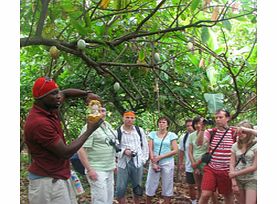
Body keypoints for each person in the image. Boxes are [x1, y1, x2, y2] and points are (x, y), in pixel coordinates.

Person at [24, 76, 103, 204]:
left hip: (59, 177)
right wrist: (90, 129)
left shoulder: (49, 107)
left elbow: (65, 93)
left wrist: (87, 94)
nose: (58, 97)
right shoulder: (39, 123)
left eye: (57, 92)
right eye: (54, 94)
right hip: (47, 183)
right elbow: (65, 152)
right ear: (41, 98)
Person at [77, 105, 116, 204]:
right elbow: (80, 149)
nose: (102, 113)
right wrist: (90, 170)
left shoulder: (107, 125)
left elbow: (111, 144)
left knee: (109, 199)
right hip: (97, 169)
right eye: (99, 111)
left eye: (103, 111)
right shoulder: (89, 127)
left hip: (109, 167)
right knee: (100, 200)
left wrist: (114, 163)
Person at [198, 109, 236, 204]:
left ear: (227, 118)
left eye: (220, 117)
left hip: (227, 170)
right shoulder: (211, 131)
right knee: (205, 194)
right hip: (211, 168)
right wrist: (202, 129)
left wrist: (244, 129)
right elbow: (199, 143)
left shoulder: (233, 132)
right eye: (216, 118)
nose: (218, 119)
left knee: (227, 195)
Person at [115, 111, 149, 204]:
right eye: (127, 117)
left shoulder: (139, 130)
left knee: (137, 187)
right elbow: (115, 148)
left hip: (137, 162)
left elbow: (145, 146)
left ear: (134, 119)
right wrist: (124, 151)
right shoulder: (117, 132)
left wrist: (143, 159)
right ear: (123, 118)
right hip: (123, 163)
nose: (129, 119)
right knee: (120, 188)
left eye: (131, 118)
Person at [145, 116, 178, 204]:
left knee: (167, 184)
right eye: (160, 122)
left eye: (164, 122)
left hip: (167, 162)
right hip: (154, 161)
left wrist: (161, 157)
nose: (161, 124)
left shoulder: (171, 135)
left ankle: (166, 202)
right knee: (150, 183)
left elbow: (175, 150)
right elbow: (150, 148)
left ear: (167, 125)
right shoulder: (152, 134)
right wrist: (153, 160)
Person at [188, 116, 218, 204]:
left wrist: (197, 163)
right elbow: (190, 151)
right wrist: (194, 165)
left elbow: (208, 150)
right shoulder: (192, 135)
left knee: (211, 189)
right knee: (199, 186)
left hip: (206, 164)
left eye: (200, 123)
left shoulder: (208, 134)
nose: (198, 125)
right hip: (195, 164)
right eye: (196, 123)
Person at [229, 121, 257, 204]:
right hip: (238, 180)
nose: (240, 133)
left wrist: (235, 174)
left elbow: (254, 167)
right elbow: (231, 164)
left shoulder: (256, 145)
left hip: (252, 179)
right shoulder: (235, 146)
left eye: (243, 131)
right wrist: (234, 183)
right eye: (239, 132)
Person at [178, 119, 198, 204]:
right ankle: (194, 201)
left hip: (201, 165)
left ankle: (201, 200)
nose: (189, 127)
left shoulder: (202, 135)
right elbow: (181, 151)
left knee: (202, 186)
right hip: (189, 165)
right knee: (191, 185)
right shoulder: (184, 137)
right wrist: (181, 163)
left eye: (191, 125)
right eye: (187, 126)